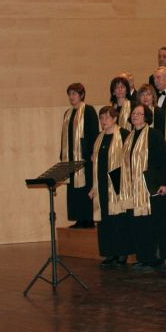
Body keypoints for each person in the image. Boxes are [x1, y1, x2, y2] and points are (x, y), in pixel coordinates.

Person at [122, 104, 166, 272]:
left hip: (152, 188)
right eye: (134, 113)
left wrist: (165, 183)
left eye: (139, 113)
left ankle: (155, 259)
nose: (135, 116)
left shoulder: (154, 135)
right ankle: (143, 257)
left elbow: (164, 161)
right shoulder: (129, 137)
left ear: (146, 117)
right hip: (134, 189)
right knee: (139, 225)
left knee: (153, 225)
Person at [89, 106, 132, 266]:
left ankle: (122, 253)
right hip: (101, 184)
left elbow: (129, 161)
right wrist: (94, 186)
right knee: (105, 220)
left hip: (118, 183)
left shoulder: (124, 135)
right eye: (101, 118)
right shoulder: (99, 138)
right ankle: (109, 253)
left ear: (114, 119)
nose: (103, 121)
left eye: (107, 117)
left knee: (119, 219)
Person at [60, 83, 99, 228]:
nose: (71, 97)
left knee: (85, 188)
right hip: (72, 159)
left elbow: (94, 133)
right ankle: (79, 218)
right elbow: (65, 137)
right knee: (74, 191)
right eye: (69, 94)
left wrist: (93, 153)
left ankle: (88, 219)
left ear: (81, 95)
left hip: (85, 158)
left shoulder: (88, 111)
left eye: (74, 94)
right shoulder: (67, 114)